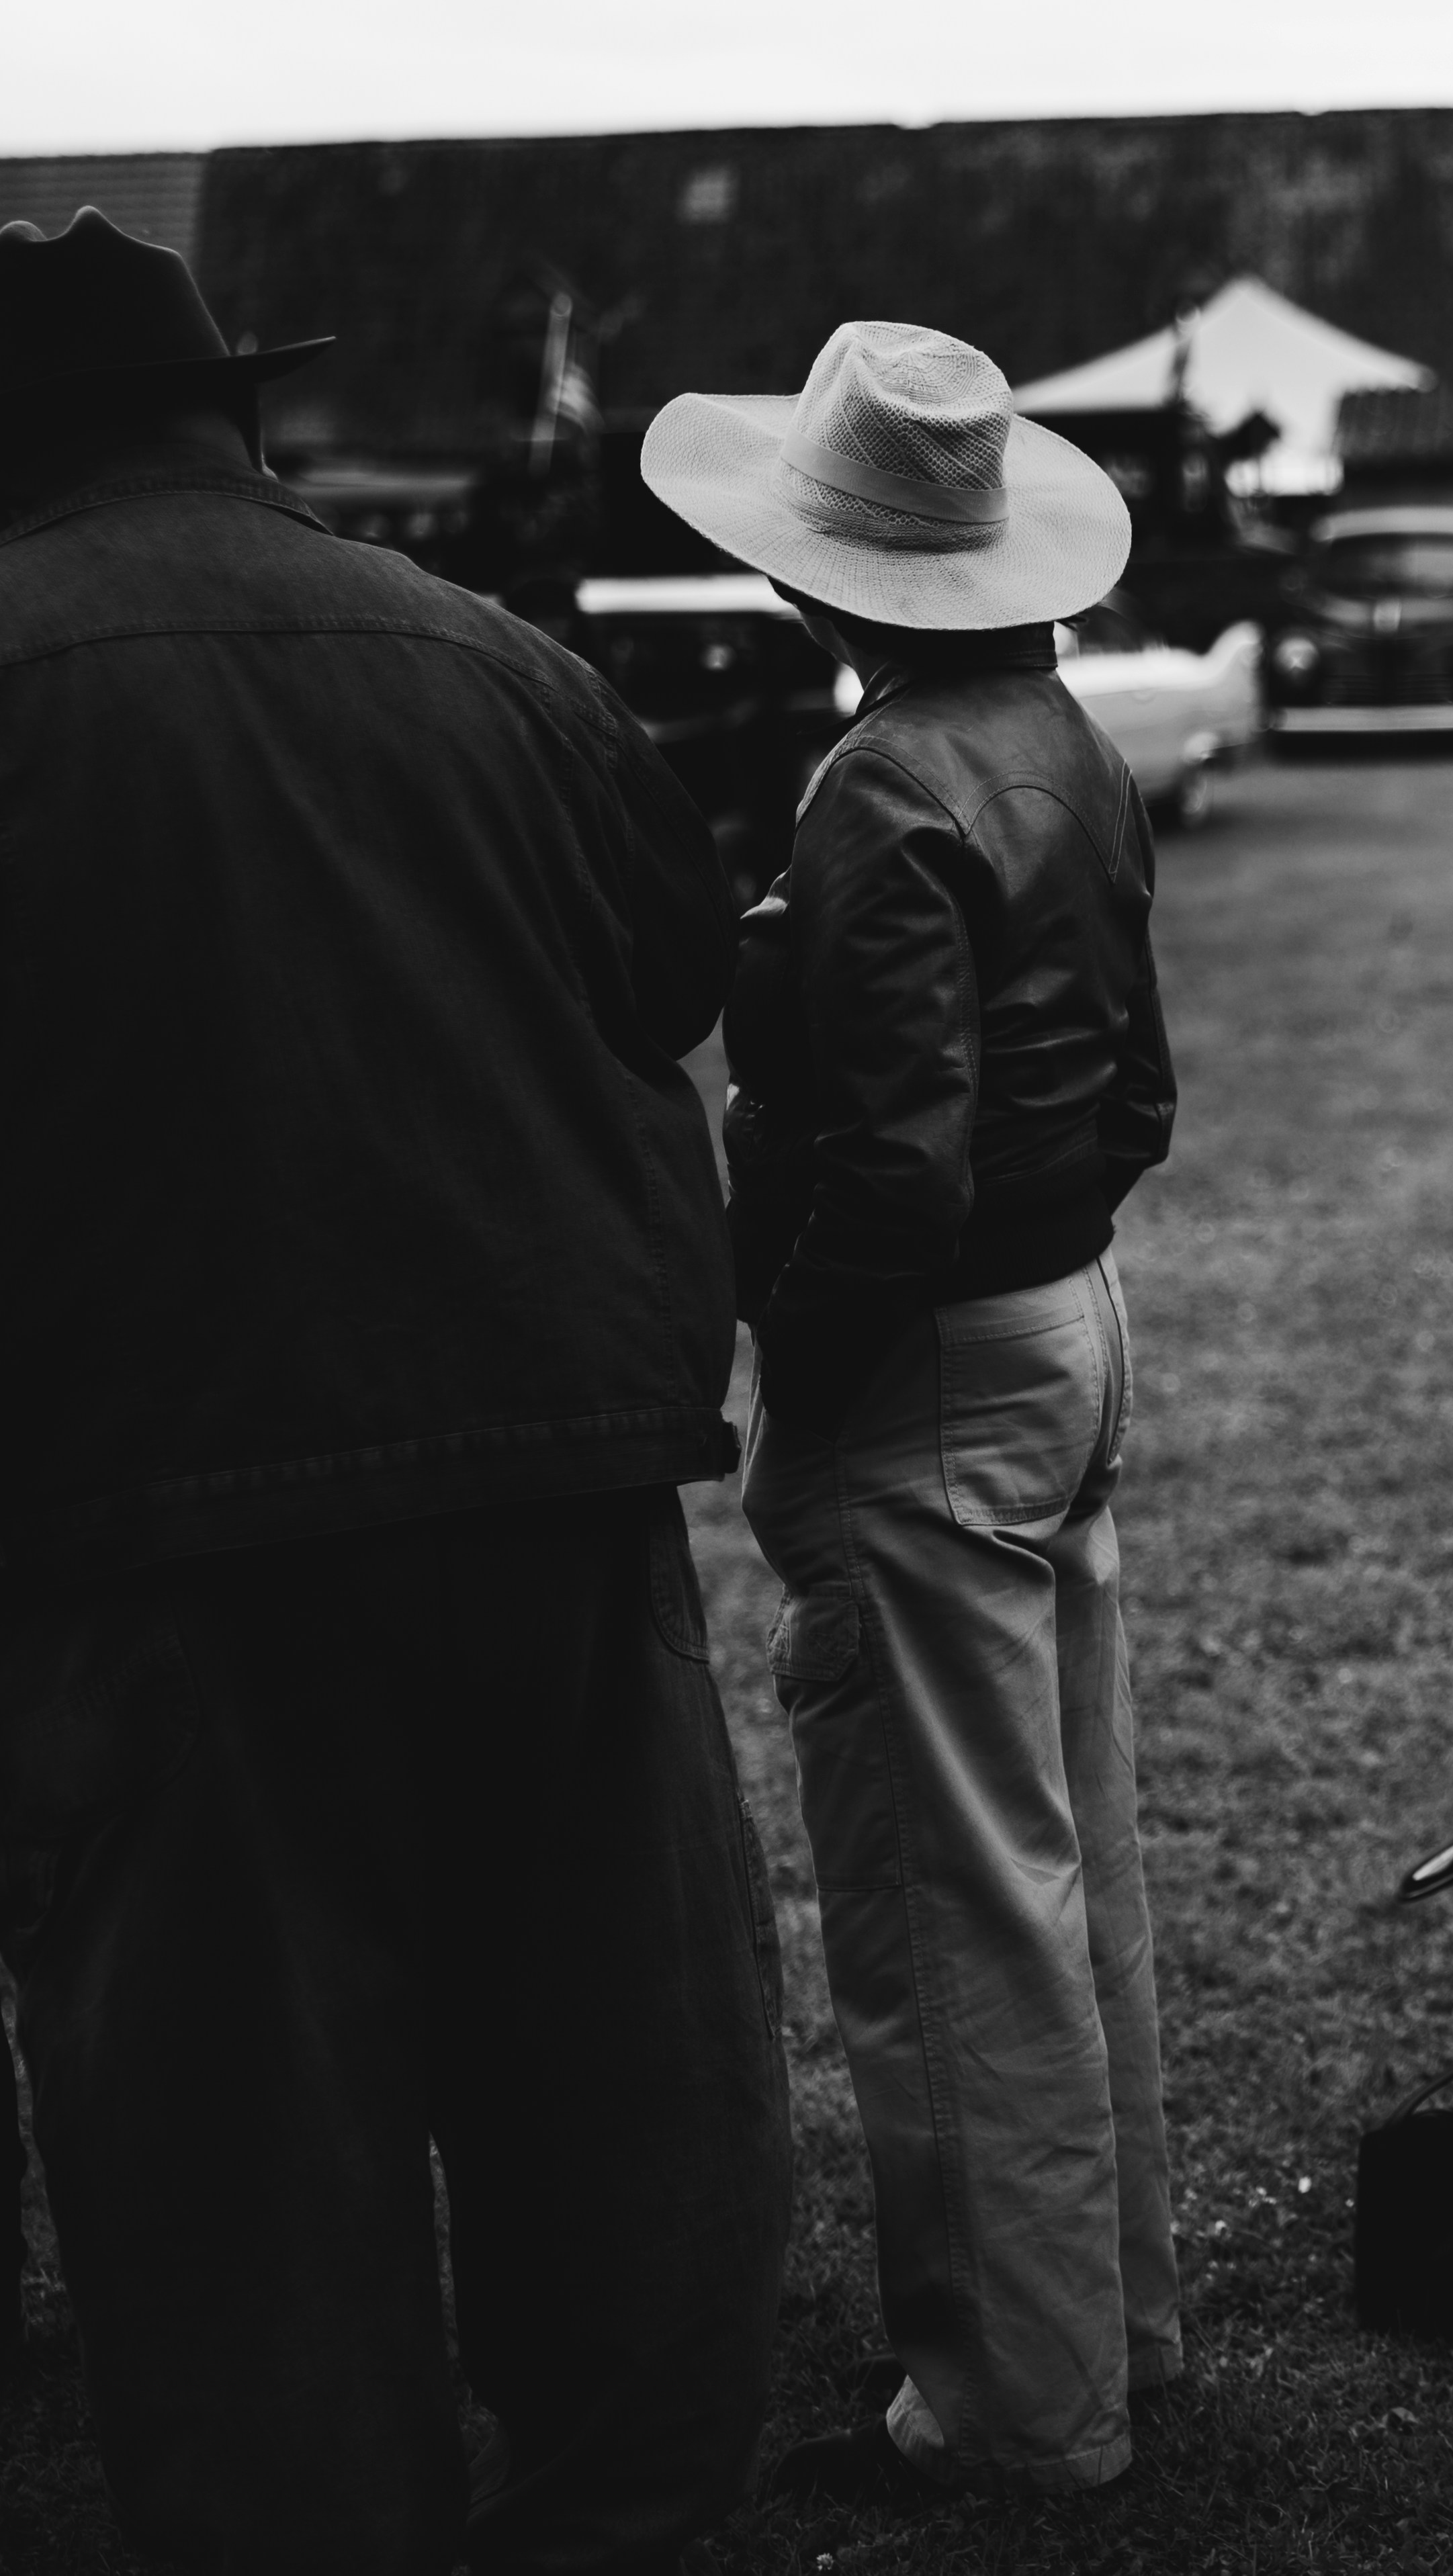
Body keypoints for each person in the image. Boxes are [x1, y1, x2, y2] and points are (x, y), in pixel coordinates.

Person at [0, 211, 790, 2569]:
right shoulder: (502, 665)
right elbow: (667, 969)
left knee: (251, 2208)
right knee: (619, 2120)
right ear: (232, 417)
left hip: (170, 1542)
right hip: (558, 1498)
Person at [642, 321, 1181, 2501]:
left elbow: (892, 1169)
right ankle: (1114, 2320)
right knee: (1075, 1859)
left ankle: (1020, 2399)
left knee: (961, 1906)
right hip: (1071, 1323)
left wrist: (782, 1360)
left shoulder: (880, 786)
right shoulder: (1069, 742)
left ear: (831, 577)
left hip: (938, 1364)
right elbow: (1128, 1090)